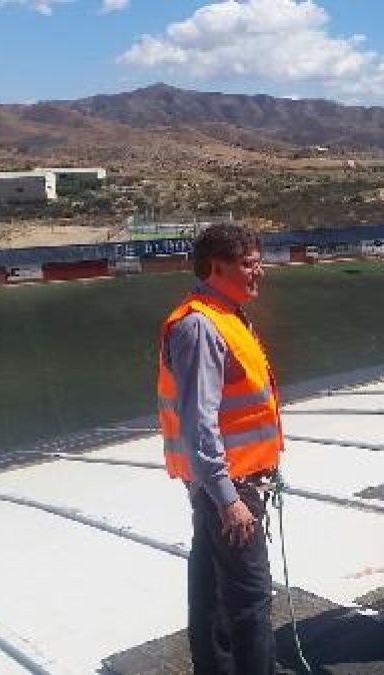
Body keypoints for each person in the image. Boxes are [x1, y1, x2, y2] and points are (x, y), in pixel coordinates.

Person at [158, 224, 282, 675]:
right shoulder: (200, 326)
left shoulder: (225, 316)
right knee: (250, 602)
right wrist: (228, 498)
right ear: (218, 267)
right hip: (231, 488)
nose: (259, 272)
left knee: (210, 593)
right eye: (250, 263)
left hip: (230, 483)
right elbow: (199, 422)